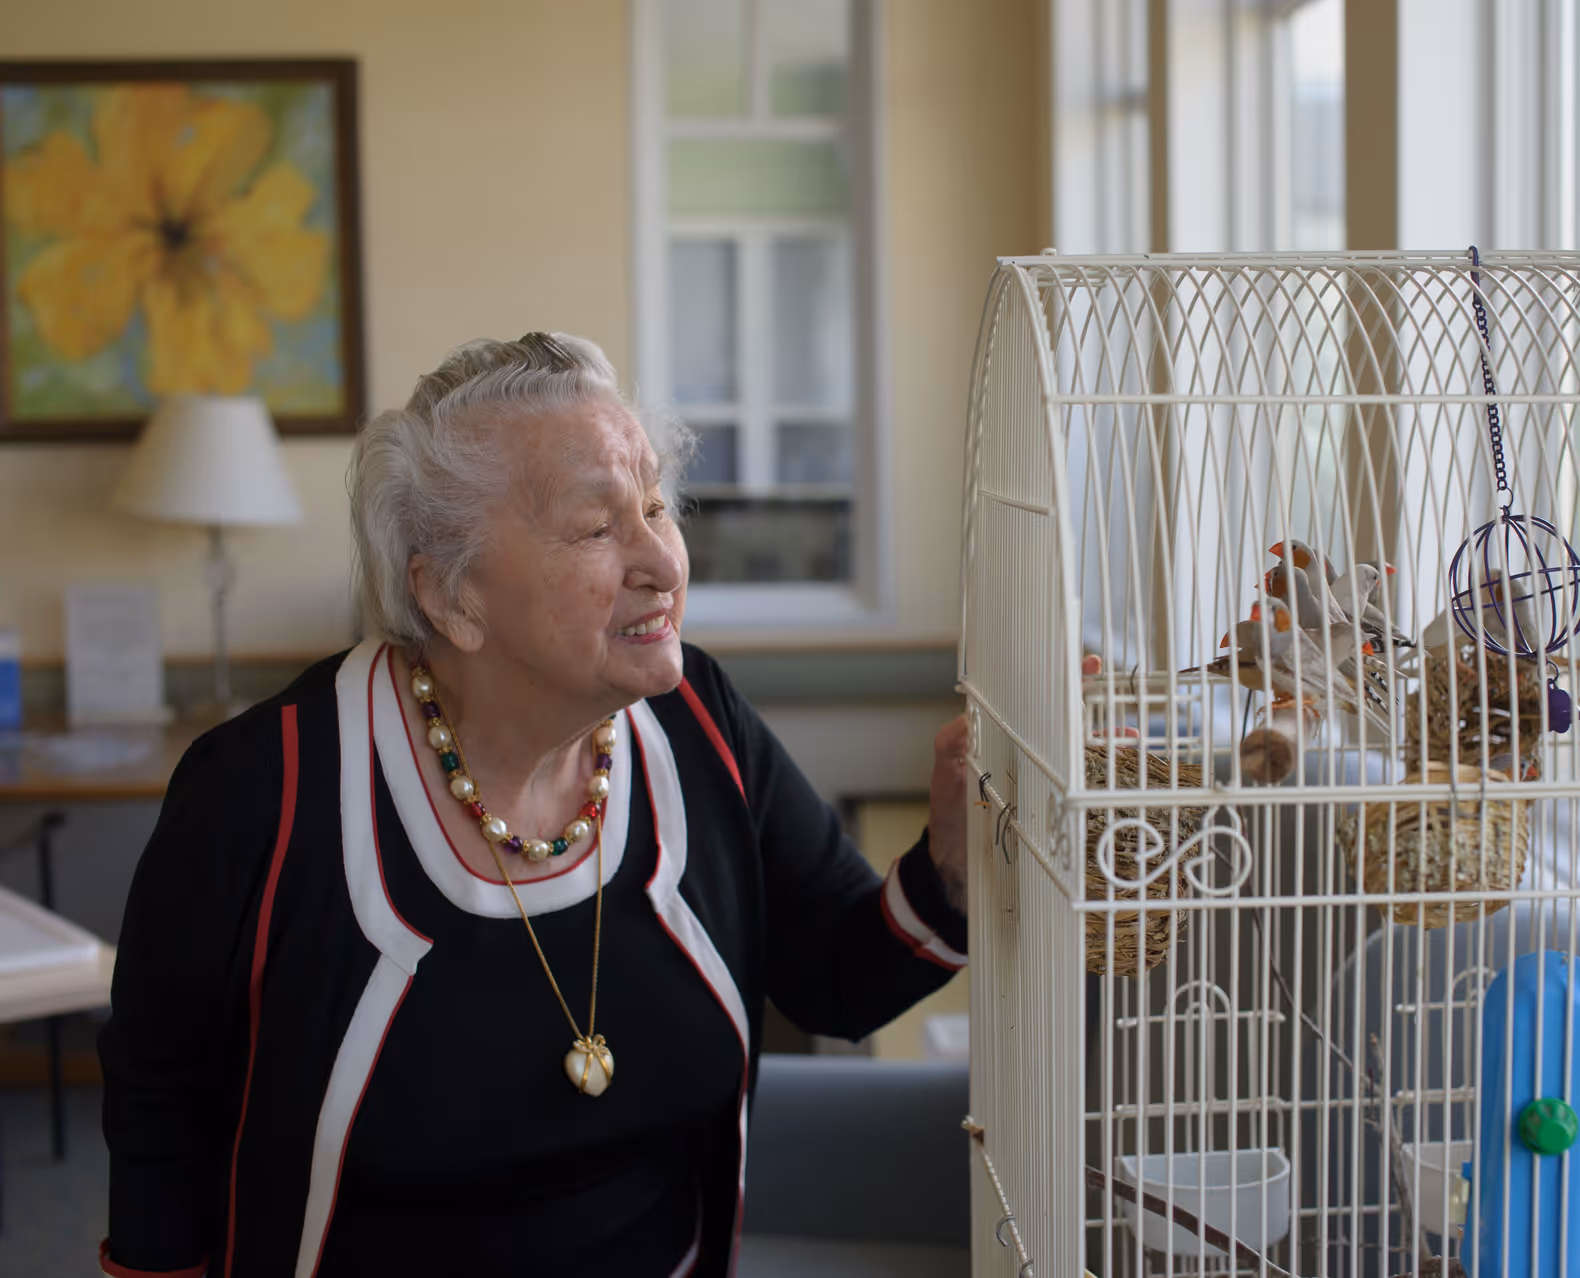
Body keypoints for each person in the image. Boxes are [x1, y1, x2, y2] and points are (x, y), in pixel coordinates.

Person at [97, 333, 972, 1278]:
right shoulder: (260, 789)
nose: (664, 564)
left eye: (654, 508)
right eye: (598, 528)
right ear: (450, 594)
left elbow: (843, 977)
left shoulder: (698, 723)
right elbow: (160, 1107)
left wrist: (953, 867)